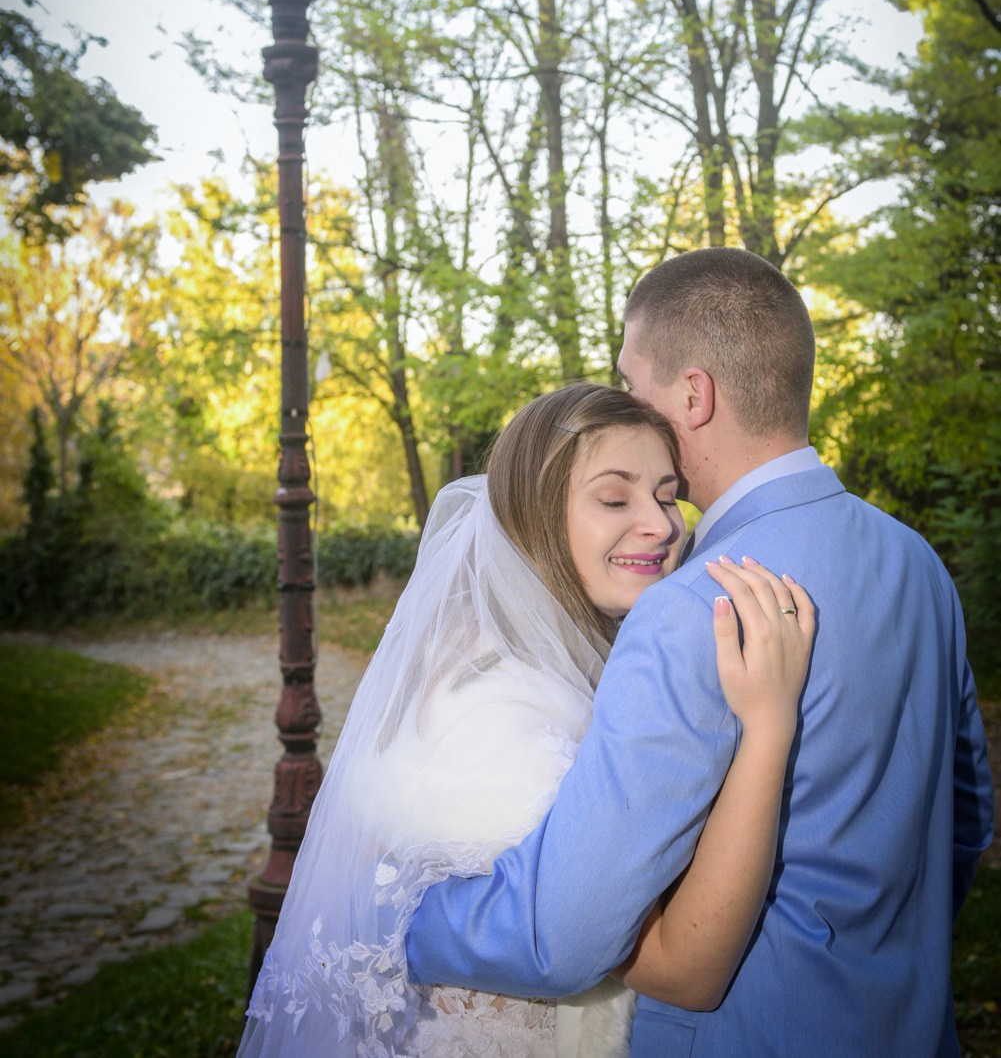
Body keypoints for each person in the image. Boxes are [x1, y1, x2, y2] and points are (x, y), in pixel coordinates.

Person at [406, 248, 995, 1057]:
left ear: (692, 393)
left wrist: (402, 919)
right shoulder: (915, 562)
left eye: (630, 377)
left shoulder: (693, 608)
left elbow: (564, 935)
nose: (622, 399)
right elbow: (963, 823)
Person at [237, 380, 815, 1056]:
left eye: (666, 494)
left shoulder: (539, 662)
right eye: (613, 497)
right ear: (535, 517)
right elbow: (682, 969)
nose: (661, 525)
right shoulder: (503, 721)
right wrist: (767, 725)